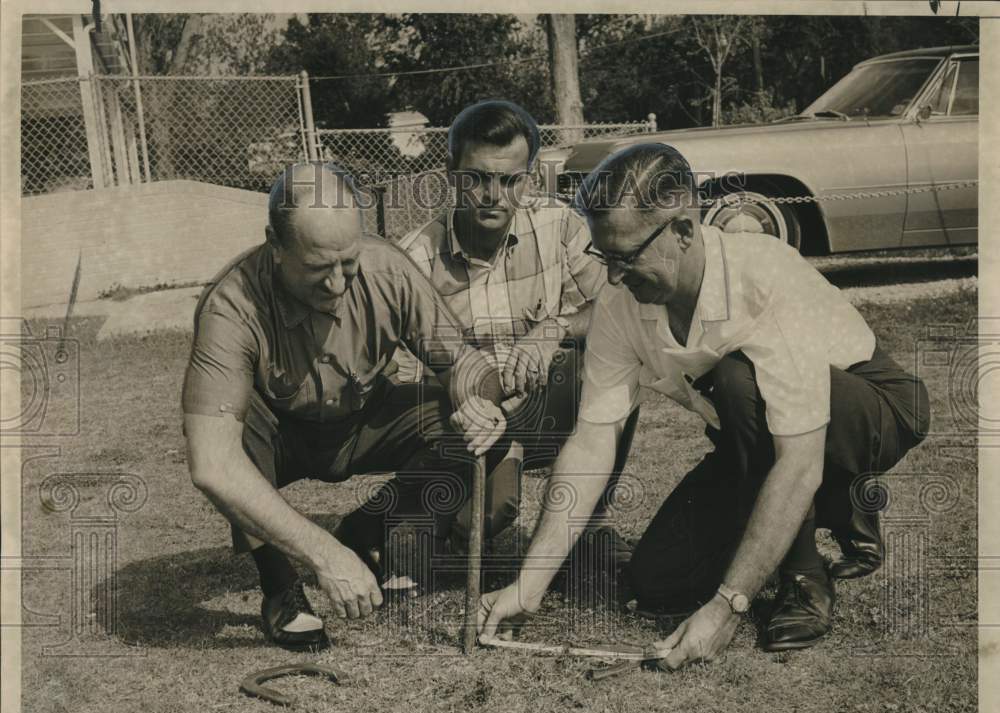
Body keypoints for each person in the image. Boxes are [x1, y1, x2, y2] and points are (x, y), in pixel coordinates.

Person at [477, 143, 930, 666]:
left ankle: (806, 576)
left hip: (870, 410)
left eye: (626, 258)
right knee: (657, 582)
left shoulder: (763, 276)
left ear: (684, 230)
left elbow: (799, 460)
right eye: (605, 259)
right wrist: (530, 584)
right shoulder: (621, 302)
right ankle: (842, 498)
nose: (615, 278)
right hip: (759, 436)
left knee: (737, 381)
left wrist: (727, 607)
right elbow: (593, 440)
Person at [182, 162, 508, 652]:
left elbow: (465, 364)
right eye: (318, 269)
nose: (337, 284)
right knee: (234, 433)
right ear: (275, 245)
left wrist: (477, 400)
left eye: (348, 263)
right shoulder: (230, 306)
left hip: (364, 420)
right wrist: (323, 555)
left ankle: (368, 529)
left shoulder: (388, 267)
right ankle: (281, 590)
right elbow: (211, 464)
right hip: (280, 436)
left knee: (477, 422)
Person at [395, 100, 638, 562]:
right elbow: (401, 380)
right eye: (477, 178)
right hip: (466, 421)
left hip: (542, 398)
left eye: (509, 180)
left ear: (528, 179)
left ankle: (591, 523)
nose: (493, 194)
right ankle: (429, 512)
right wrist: (474, 405)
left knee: (610, 355)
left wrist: (553, 328)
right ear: (451, 175)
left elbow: (619, 300)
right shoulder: (415, 259)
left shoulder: (561, 223)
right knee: (480, 524)